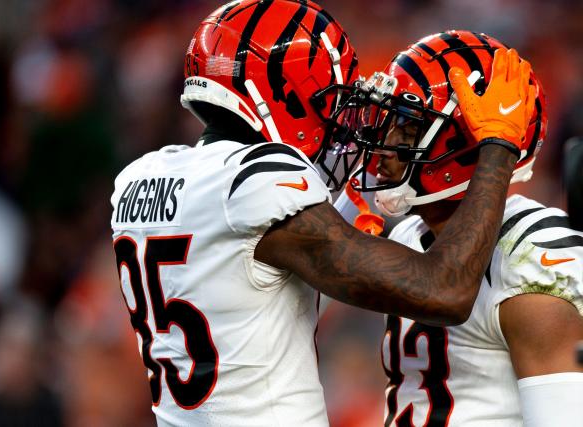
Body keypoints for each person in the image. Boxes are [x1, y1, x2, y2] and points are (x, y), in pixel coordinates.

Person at [109, 1, 535, 424]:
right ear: (279, 95)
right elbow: (445, 291)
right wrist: (498, 146)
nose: (337, 117)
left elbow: (256, 292)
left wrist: (344, 208)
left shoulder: (140, 178)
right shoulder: (257, 181)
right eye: (327, 99)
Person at [338, 30, 583, 426]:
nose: (383, 142)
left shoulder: (533, 253)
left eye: (406, 126)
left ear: (466, 142)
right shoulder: (408, 234)